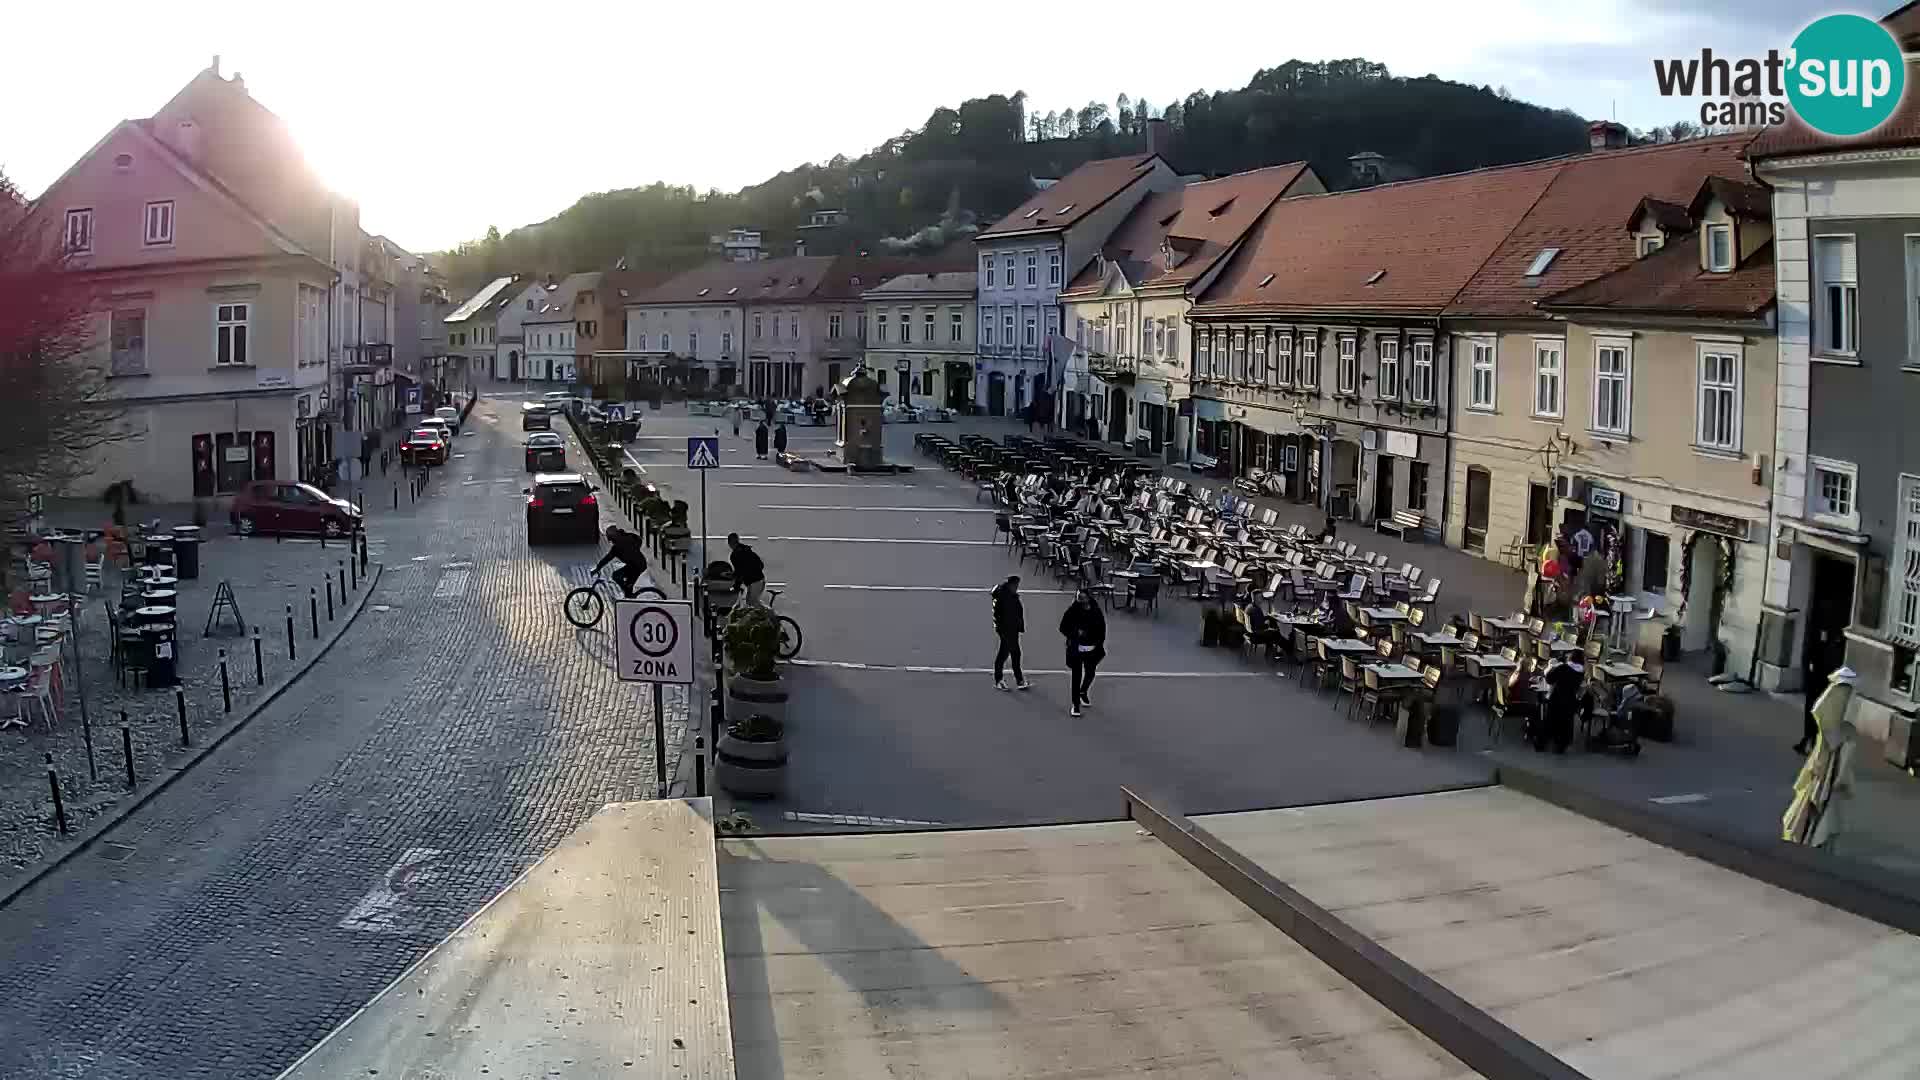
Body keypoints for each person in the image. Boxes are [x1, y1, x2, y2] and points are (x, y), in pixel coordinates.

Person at [1785, 666, 1859, 849]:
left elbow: (1821, 715)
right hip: (1829, 758)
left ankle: (1810, 835)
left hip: (1827, 757)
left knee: (1819, 798)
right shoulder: (1841, 696)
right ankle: (1812, 837)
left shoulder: (1837, 695)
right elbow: (1826, 720)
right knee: (1821, 800)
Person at [1059, 587, 1107, 717]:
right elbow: (1062, 627)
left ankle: (1083, 691)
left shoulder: (1096, 611)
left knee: (1090, 673)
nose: (1080, 599)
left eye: (1082, 597)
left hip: (1092, 649)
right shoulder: (1071, 611)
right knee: (1076, 676)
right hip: (1076, 649)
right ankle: (1075, 705)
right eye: (1078, 597)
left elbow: (1102, 629)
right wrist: (1075, 633)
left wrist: (1098, 642)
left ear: (1088, 598)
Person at [1537, 658, 1586, 753]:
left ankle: (1541, 744)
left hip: (1556, 700)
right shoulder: (1580, 673)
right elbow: (1580, 689)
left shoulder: (1562, 667)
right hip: (1569, 702)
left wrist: (1552, 668)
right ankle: (1561, 746)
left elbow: (1549, 679)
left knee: (1549, 721)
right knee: (1566, 724)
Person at [991, 575, 1030, 691]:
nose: (1017, 588)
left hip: (1011, 630)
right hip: (1007, 630)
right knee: (1004, 655)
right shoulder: (1005, 597)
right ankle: (1000, 680)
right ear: (1011, 585)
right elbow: (1003, 615)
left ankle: (1018, 680)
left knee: (1015, 654)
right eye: (1016, 585)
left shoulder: (1008, 595)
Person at [593, 524, 650, 598]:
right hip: (637, 563)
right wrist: (635, 549)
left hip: (637, 566)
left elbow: (607, 559)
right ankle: (628, 594)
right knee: (622, 580)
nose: (612, 542)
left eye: (611, 540)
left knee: (617, 576)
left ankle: (630, 598)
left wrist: (597, 568)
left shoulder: (617, 548)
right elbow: (638, 540)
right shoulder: (628, 537)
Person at [727, 532, 766, 606]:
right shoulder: (747, 550)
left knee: (752, 602)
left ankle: (771, 615)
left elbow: (740, 572)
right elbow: (761, 565)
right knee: (750, 602)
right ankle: (765, 615)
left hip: (755, 582)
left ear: (729, 543)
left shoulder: (735, 555)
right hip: (760, 579)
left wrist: (736, 586)